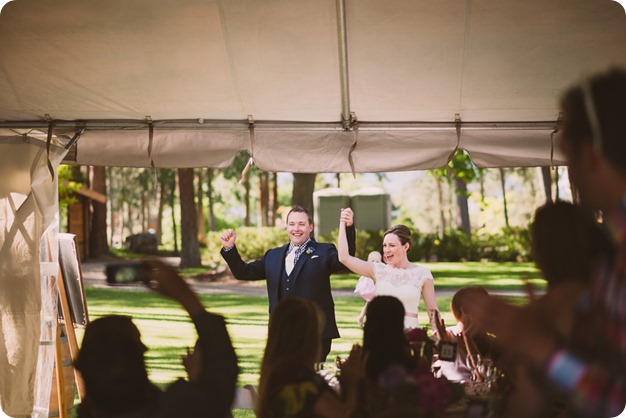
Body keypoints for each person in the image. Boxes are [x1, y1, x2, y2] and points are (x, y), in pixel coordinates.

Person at [474, 68, 626, 417]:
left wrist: (538, 346)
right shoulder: (611, 255)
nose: (571, 171)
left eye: (569, 156)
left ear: (591, 156)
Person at [74, 259, 238, 418]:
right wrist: (184, 294)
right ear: (137, 360)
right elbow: (219, 384)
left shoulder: (87, 413)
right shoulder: (173, 410)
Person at [220, 205, 356, 361]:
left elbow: (346, 258)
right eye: (292, 224)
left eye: (301, 224)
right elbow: (243, 272)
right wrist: (229, 248)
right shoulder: (273, 255)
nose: (296, 228)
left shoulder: (324, 251)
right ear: (287, 227)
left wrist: (348, 228)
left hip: (315, 331)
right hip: (282, 333)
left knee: (310, 379)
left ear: (310, 227)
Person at [256, 297, 367, 418]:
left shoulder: (276, 373)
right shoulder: (301, 381)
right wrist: (351, 380)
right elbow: (344, 414)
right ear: (309, 337)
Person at [337, 209, 440, 332]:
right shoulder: (377, 270)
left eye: (392, 245)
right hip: (380, 333)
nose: (386, 250)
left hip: (410, 335)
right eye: (385, 246)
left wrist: (438, 337)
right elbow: (344, 257)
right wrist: (343, 223)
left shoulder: (422, 274)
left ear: (405, 247)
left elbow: (432, 311)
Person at [435, 286, 498, 384]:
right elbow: (447, 372)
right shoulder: (448, 335)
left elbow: (483, 378)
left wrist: (467, 339)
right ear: (465, 309)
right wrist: (445, 343)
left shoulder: (492, 343)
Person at [354, 250, 382, 327]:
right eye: (373, 261)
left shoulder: (379, 269)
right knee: (372, 304)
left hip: (373, 291)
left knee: (369, 304)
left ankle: (362, 316)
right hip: (369, 290)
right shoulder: (368, 270)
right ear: (368, 261)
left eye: (378, 261)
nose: (375, 263)